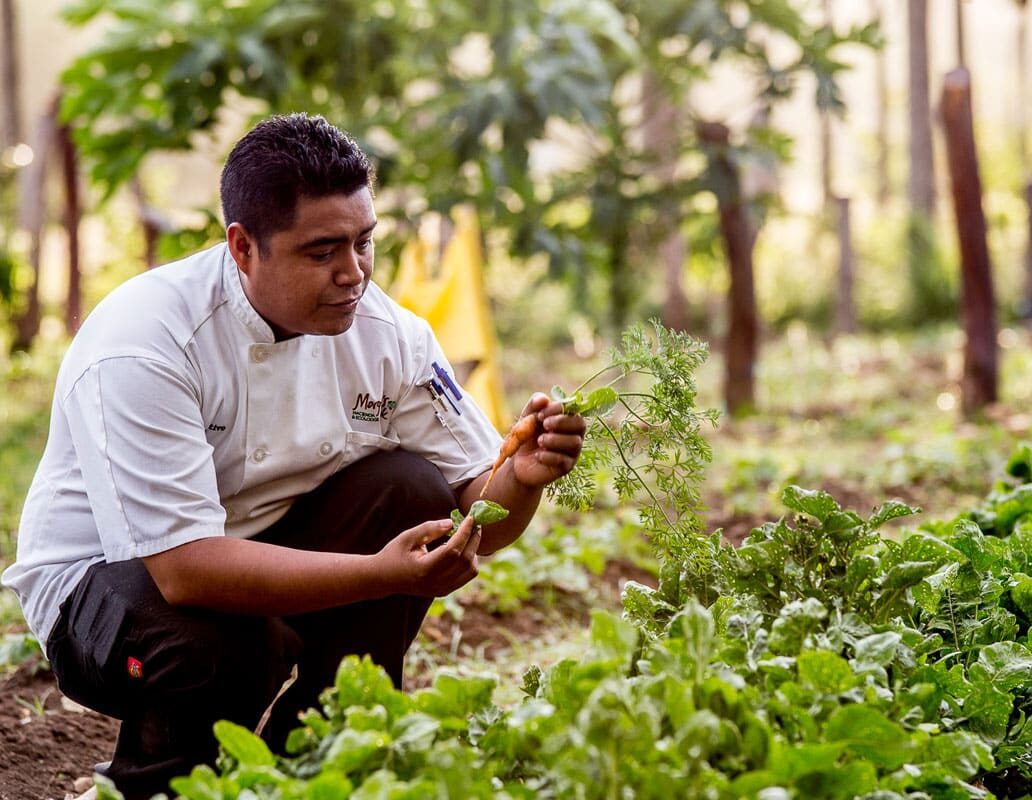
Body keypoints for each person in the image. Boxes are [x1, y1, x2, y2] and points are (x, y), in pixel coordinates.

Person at [1, 113, 586, 800]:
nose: (354, 274)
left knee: (408, 488)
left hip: (258, 550)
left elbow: (477, 508)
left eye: (364, 242)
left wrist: (523, 474)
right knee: (227, 649)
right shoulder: (147, 343)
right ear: (244, 247)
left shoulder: (389, 335)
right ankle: (155, 787)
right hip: (107, 587)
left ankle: (315, 761)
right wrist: (377, 574)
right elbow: (185, 571)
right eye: (322, 252)